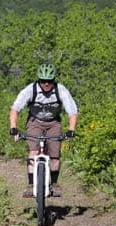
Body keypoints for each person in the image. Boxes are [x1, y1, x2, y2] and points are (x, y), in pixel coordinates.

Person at [9, 63, 77, 197]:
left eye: (49, 81)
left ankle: (55, 184)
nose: (46, 84)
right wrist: (13, 128)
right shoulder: (30, 89)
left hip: (53, 123)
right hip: (35, 122)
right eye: (43, 81)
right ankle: (30, 185)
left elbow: (72, 111)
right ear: (38, 80)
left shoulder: (60, 90)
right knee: (33, 151)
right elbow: (15, 108)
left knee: (55, 154)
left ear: (54, 80)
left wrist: (71, 130)